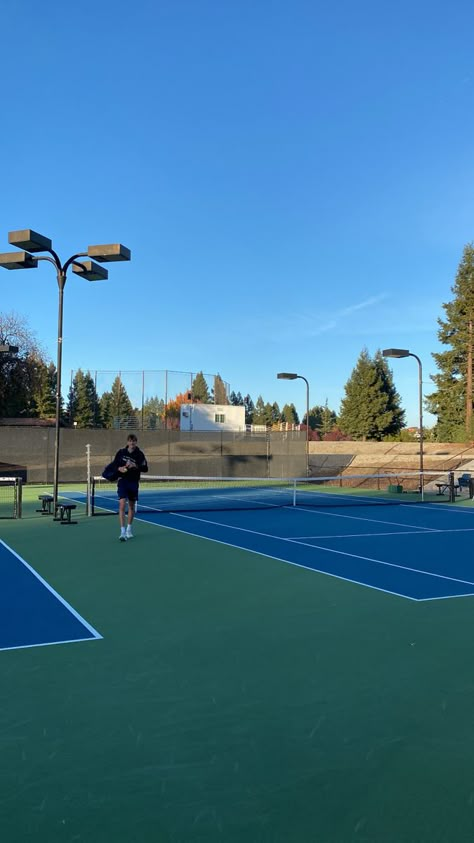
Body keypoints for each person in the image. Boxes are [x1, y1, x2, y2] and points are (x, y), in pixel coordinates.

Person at [113, 434, 148, 541]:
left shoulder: (140, 454)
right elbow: (114, 465)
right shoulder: (121, 453)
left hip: (133, 482)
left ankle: (129, 529)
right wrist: (120, 468)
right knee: (122, 504)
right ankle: (122, 531)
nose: (132, 443)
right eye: (130, 441)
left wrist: (135, 466)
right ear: (127, 442)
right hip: (123, 481)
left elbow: (145, 468)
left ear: (136, 442)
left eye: (134, 441)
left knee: (131, 507)